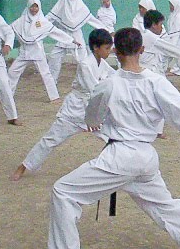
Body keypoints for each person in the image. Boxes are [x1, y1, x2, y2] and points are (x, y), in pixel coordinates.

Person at [40, 27, 180, 249]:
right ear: (142, 50)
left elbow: (92, 116)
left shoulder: (107, 84)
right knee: (164, 204)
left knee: (63, 192)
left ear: (115, 51)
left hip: (119, 157)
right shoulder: (157, 82)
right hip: (145, 157)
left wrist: (94, 124)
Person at [11, 29, 115, 180]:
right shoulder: (86, 64)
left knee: (113, 137)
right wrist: (95, 116)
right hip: (75, 110)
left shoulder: (102, 64)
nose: (109, 51)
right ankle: (23, 167)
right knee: (51, 139)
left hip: (93, 109)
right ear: (95, 48)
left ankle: (116, 168)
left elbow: (114, 77)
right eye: (107, 48)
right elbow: (95, 90)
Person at [7, 0, 75, 101]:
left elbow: (56, 32)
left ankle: (54, 97)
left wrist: (71, 40)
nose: (34, 9)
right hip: (24, 52)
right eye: (32, 7)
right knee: (12, 71)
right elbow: (8, 29)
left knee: (46, 74)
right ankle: (8, 94)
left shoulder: (43, 21)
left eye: (36, 7)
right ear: (28, 7)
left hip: (37, 52)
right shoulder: (21, 20)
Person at [46, 0, 104, 83]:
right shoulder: (62, 3)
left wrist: (105, 29)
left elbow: (92, 20)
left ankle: (90, 80)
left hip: (77, 36)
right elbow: (50, 17)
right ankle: (51, 81)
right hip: (63, 36)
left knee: (84, 61)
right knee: (54, 57)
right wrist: (40, 24)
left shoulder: (81, 6)